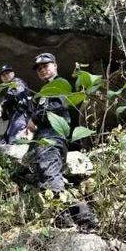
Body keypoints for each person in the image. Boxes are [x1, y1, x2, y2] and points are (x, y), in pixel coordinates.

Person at [26, 53, 71, 192]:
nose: (42, 70)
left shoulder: (60, 84)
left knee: (50, 173)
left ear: (55, 66)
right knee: (38, 173)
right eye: (39, 69)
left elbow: (57, 107)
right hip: (43, 137)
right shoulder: (45, 90)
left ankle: (60, 203)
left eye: (45, 66)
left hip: (53, 136)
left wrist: (34, 118)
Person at [0, 64, 34, 144]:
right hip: (15, 118)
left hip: (21, 116)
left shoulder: (17, 82)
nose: (6, 76)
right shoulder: (10, 86)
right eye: (3, 75)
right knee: (6, 140)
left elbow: (14, 94)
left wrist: (1, 106)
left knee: (14, 140)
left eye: (8, 73)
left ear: (13, 73)